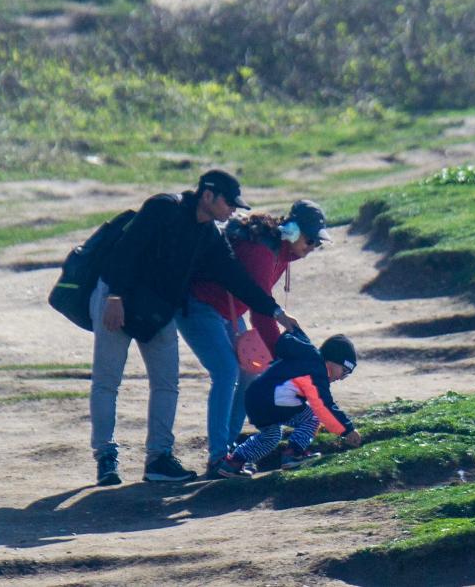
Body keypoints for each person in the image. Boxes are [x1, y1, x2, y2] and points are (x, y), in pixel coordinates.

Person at [90, 169, 303, 487]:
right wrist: (116, 298)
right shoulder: (163, 207)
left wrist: (275, 311)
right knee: (108, 381)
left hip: (158, 310)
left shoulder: (209, 237)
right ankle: (105, 456)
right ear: (208, 196)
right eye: (229, 203)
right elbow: (125, 251)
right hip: (116, 298)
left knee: (167, 384)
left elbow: (237, 279)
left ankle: (158, 459)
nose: (233, 210)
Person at [180, 199, 332, 478]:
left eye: (317, 244)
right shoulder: (261, 251)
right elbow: (261, 313)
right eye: (310, 240)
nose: (311, 248)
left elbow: (257, 304)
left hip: (229, 312)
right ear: (294, 230)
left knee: (248, 375)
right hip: (200, 305)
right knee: (226, 372)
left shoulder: (281, 252)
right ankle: (218, 458)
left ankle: (229, 452)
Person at [215, 332, 361, 478]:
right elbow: (323, 406)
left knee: (271, 436)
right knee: (313, 417)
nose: (342, 378)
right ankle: (293, 453)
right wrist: (347, 429)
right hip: (275, 401)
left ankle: (233, 463)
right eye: (344, 371)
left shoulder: (306, 359)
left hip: (254, 398)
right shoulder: (316, 370)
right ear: (332, 361)